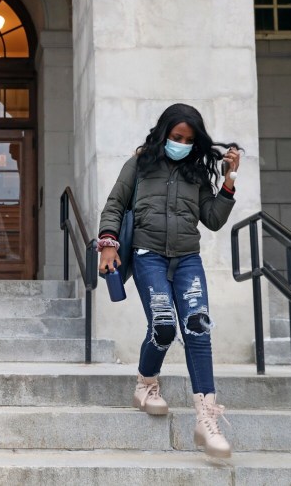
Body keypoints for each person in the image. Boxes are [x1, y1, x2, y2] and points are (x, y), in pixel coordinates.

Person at [97, 103, 241, 459]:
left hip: (187, 257)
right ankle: (146, 383)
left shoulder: (196, 172)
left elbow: (212, 219)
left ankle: (206, 419)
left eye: (189, 140)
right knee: (163, 325)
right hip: (148, 256)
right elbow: (114, 204)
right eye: (177, 137)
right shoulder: (140, 164)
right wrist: (108, 245)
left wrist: (228, 182)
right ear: (164, 134)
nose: (182, 144)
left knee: (197, 326)